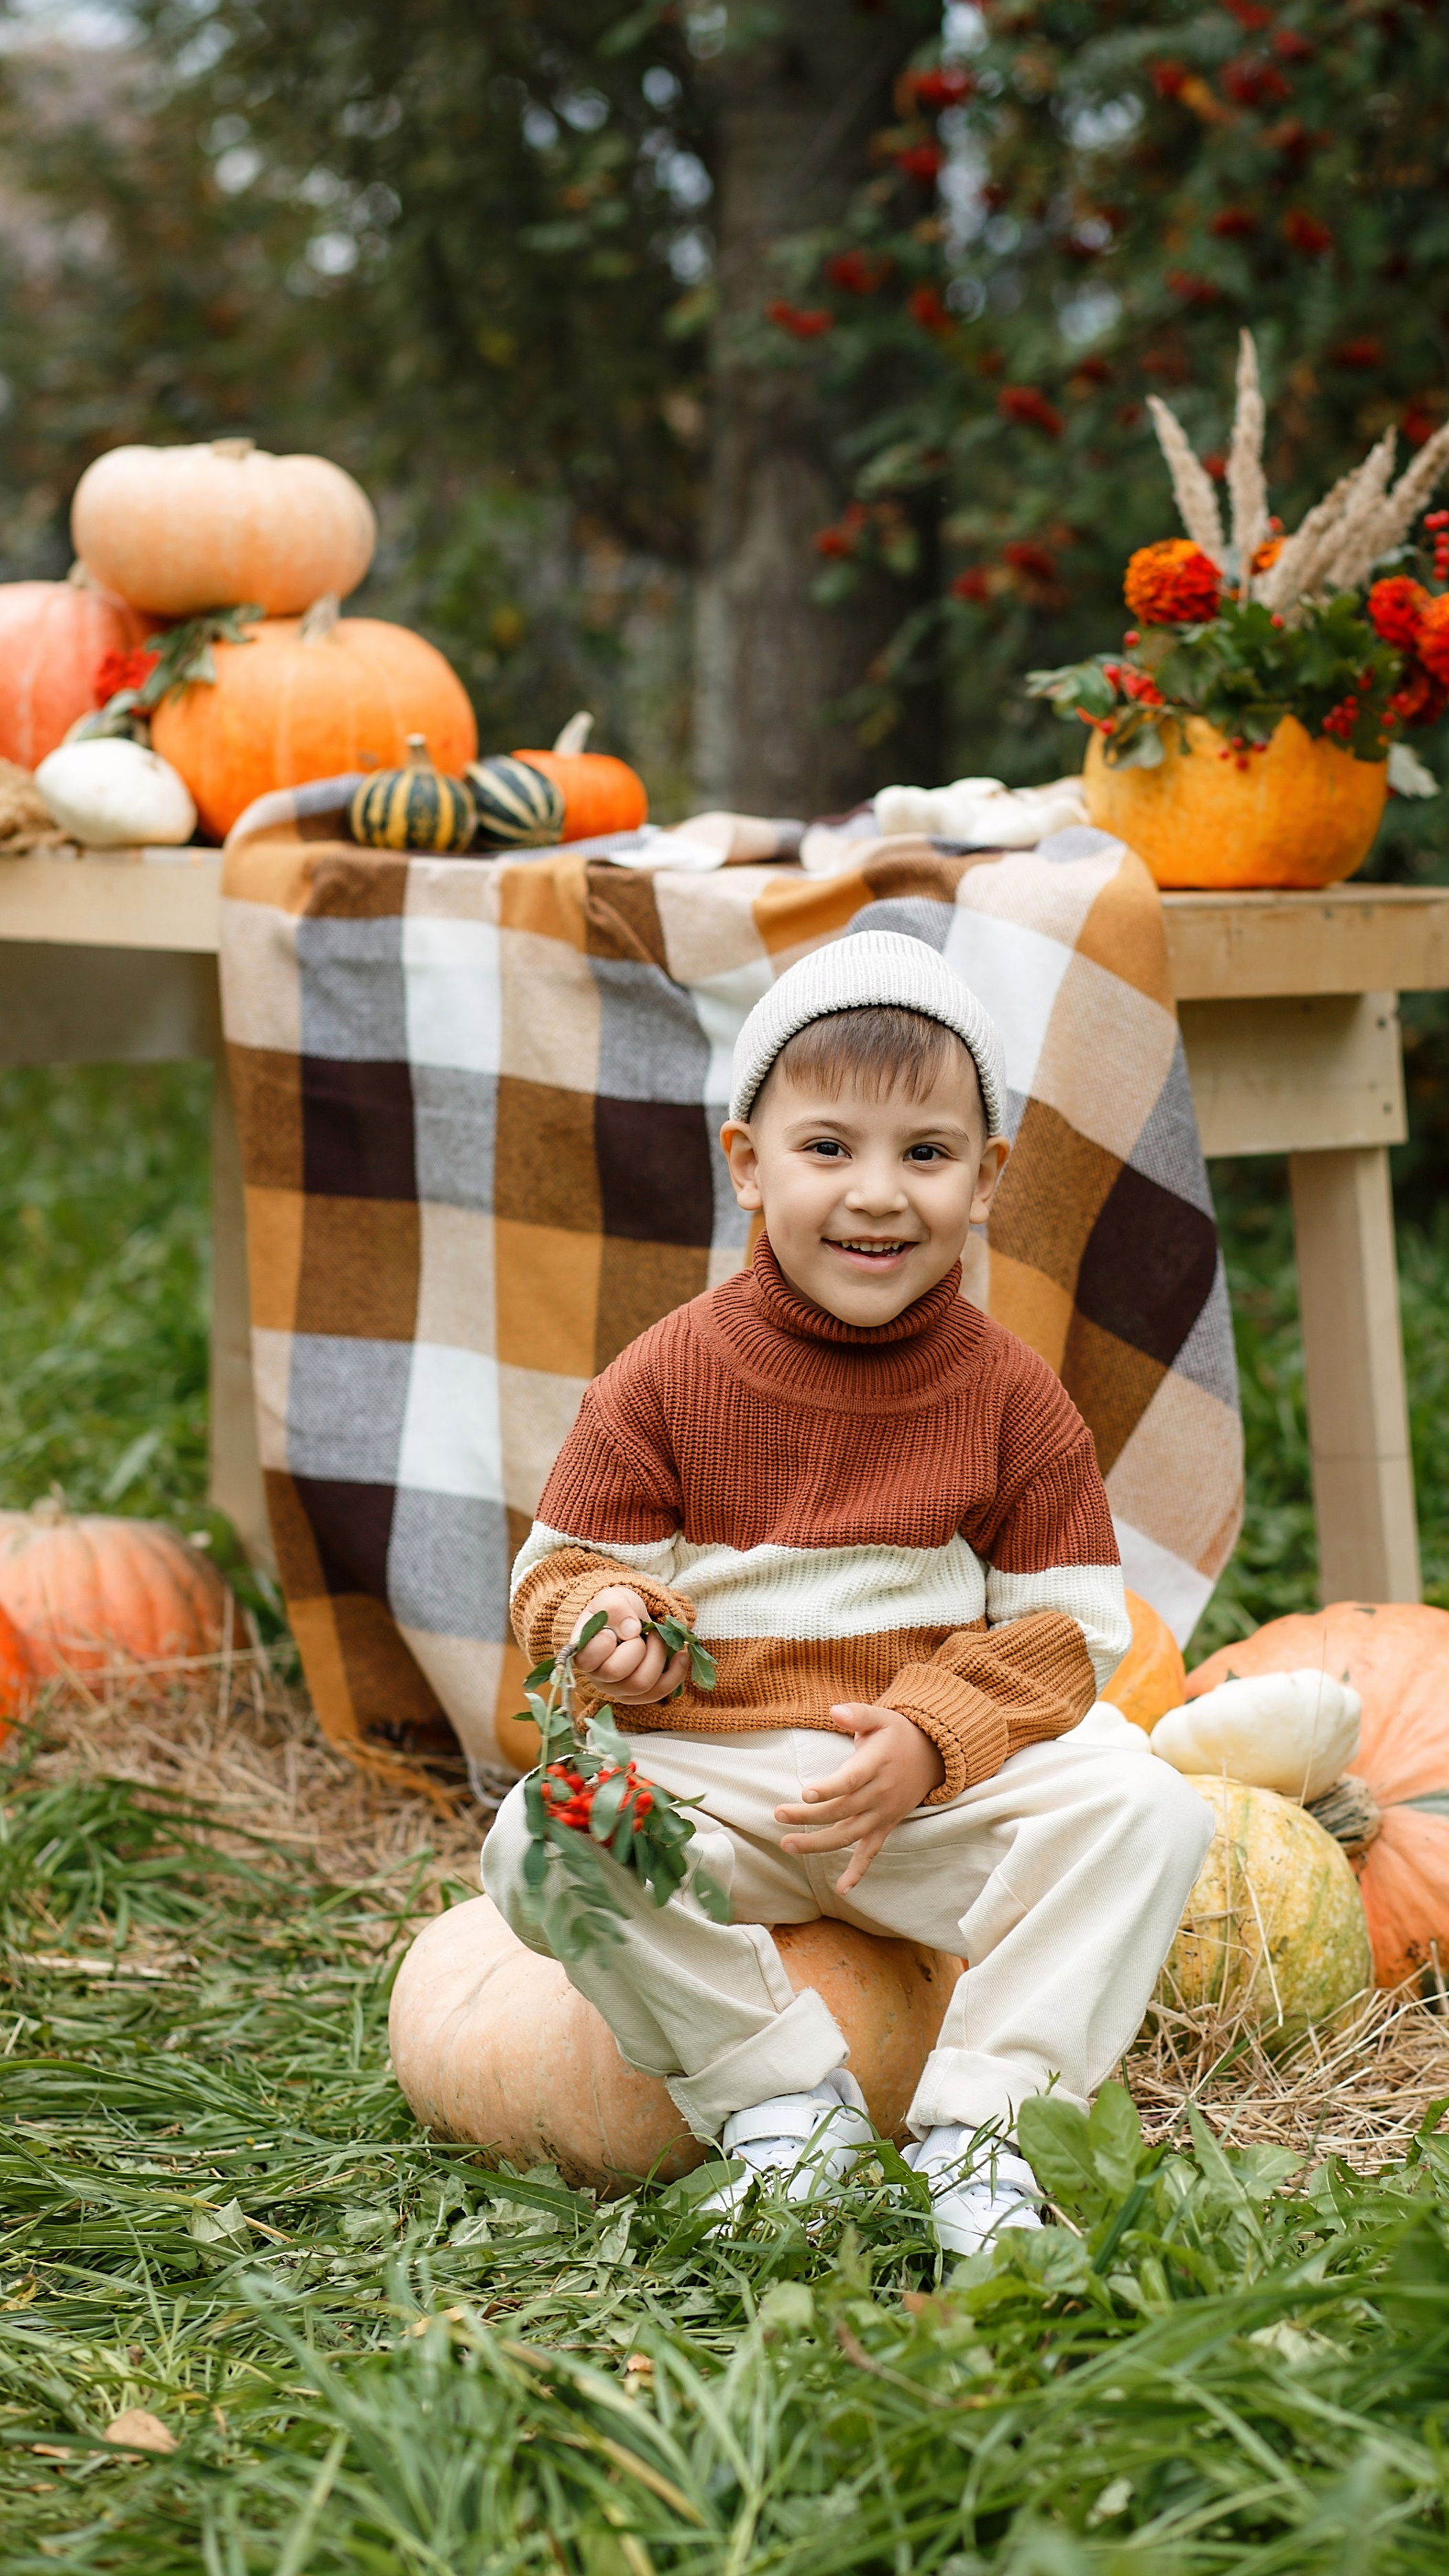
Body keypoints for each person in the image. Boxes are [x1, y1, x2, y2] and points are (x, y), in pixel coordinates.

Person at [481, 931, 1214, 2253]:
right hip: (723, 1785)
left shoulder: (1010, 1396)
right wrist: (609, 1627)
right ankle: (778, 2104)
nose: (878, 1195)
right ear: (749, 1163)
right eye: (830, 1149)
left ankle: (989, 2129)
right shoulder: (663, 1378)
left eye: (925, 1154)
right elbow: (563, 1572)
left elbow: (1069, 1631)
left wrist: (936, 1735)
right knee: (542, 1835)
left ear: (985, 1179)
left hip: (927, 1800)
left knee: (1150, 1811)